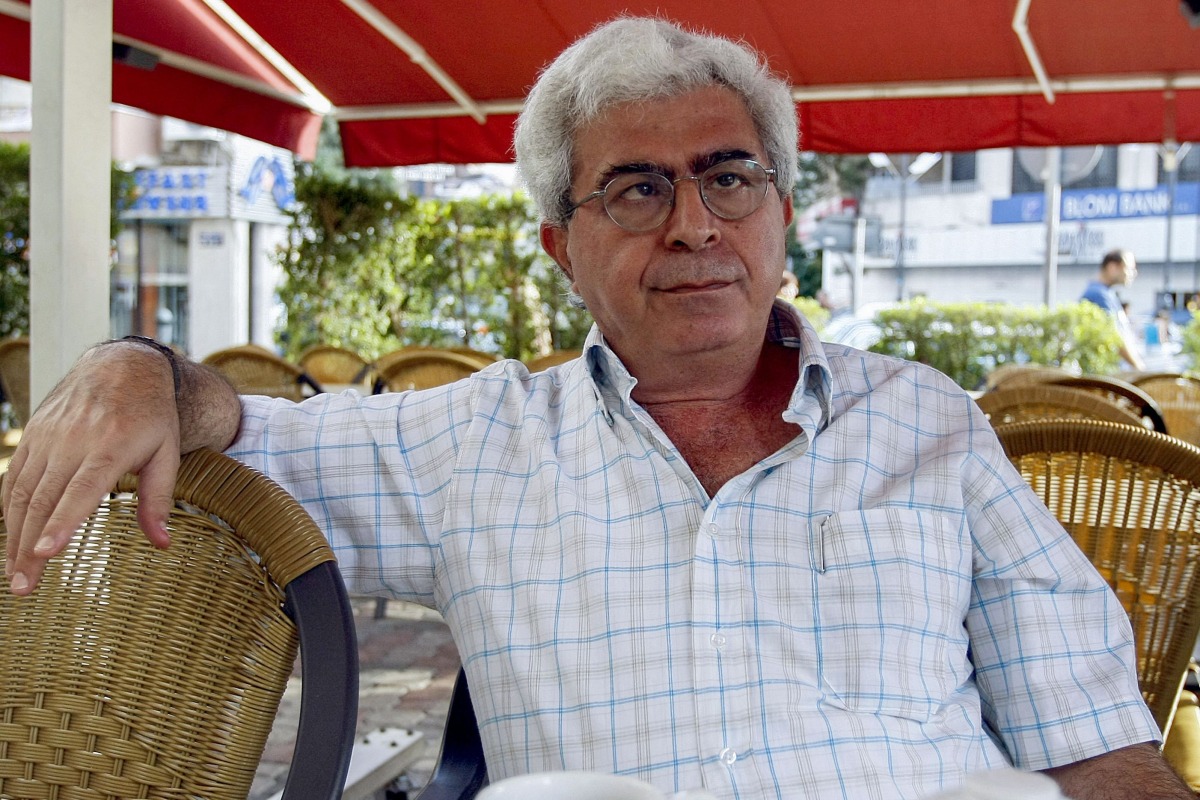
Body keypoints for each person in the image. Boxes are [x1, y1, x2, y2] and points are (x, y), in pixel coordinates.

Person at [2, 17, 1191, 800]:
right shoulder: (469, 441)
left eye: (728, 175)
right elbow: (240, 423)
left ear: (783, 214)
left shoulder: (931, 423)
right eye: (637, 188)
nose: (693, 224)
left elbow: (1098, 743)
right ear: (563, 248)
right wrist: (133, 365)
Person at [1080, 249, 1146, 371]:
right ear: (1112, 267)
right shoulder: (1097, 294)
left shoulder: (1107, 293)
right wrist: (1138, 366)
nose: (1132, 273)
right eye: (1129, 268)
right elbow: (1115, 336)